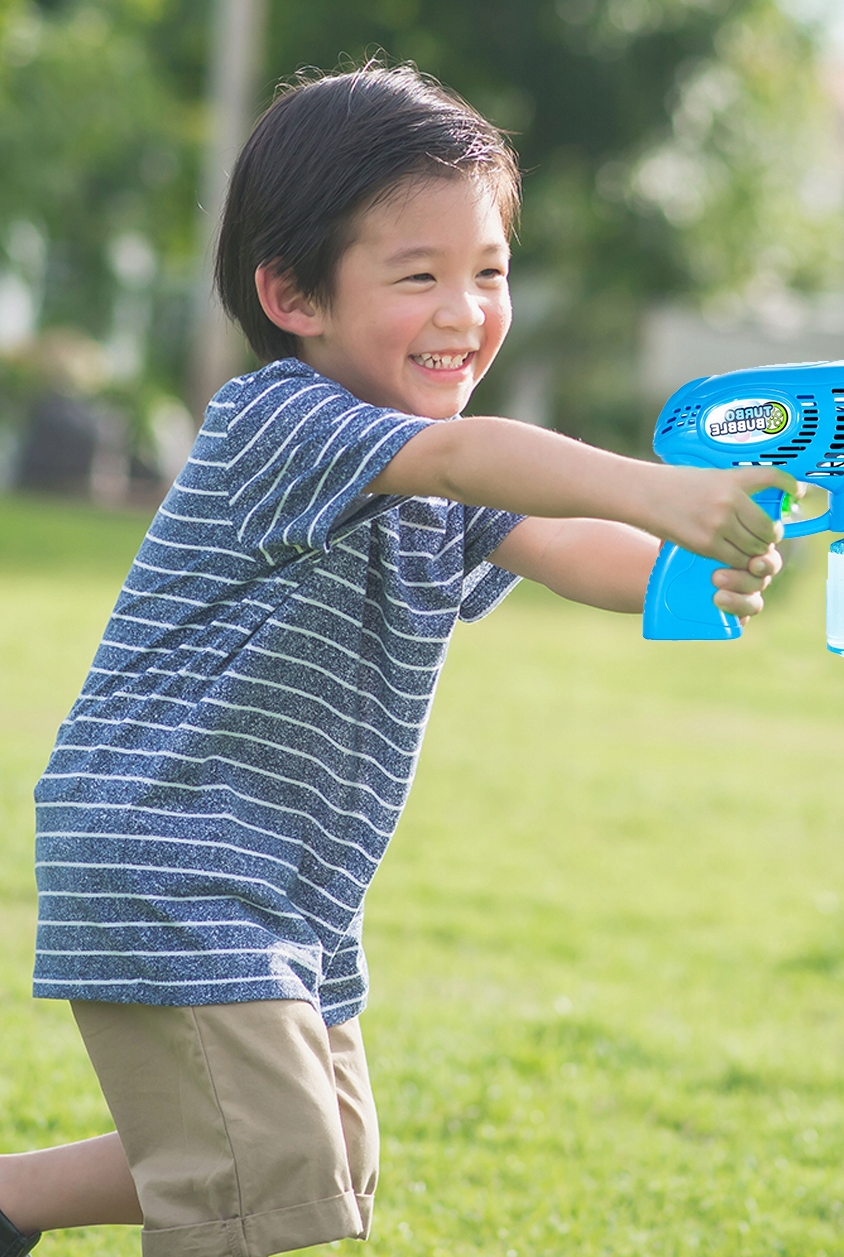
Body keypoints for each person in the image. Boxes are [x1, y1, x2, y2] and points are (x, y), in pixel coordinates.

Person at [0, 64, 791, 1257]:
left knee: (322, 1158)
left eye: (488, 271)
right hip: (175, 852)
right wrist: (660, 485)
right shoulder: (281, 418)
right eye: (417, 275)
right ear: (292, 294)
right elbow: (479, 462)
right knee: (267, 1179)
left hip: (289, 880)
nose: (465, 310)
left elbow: (556, 537)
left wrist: (700, 570)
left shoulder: (418, 464)